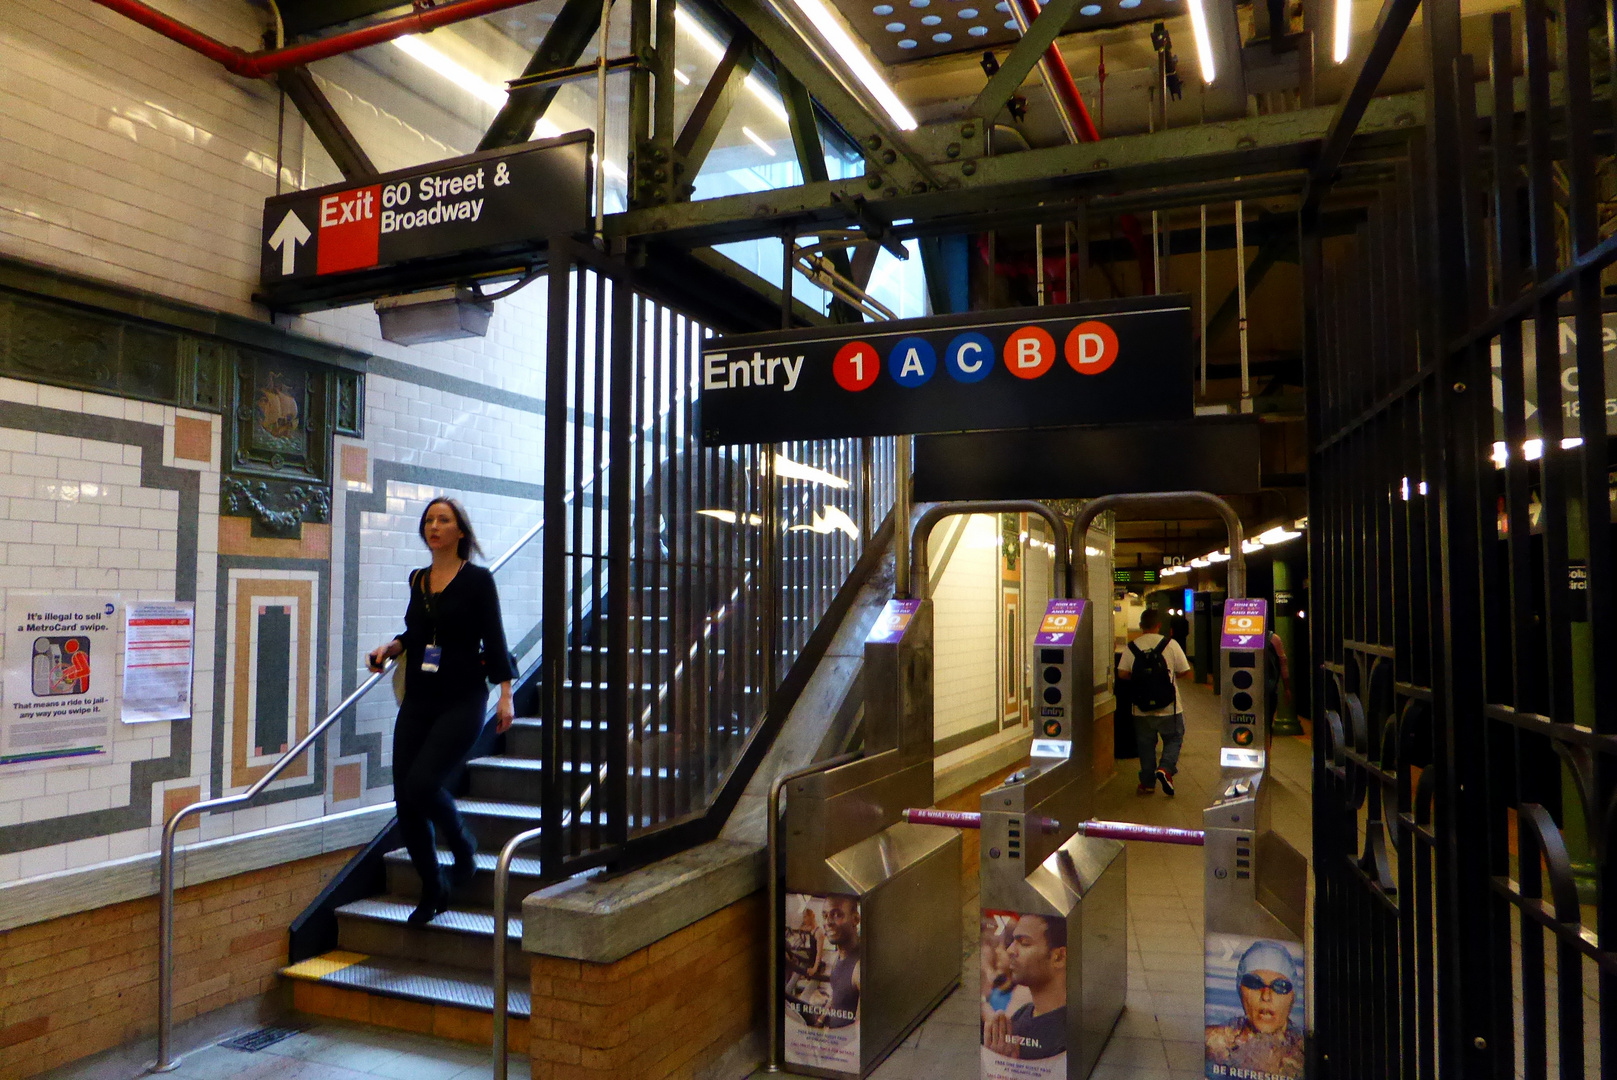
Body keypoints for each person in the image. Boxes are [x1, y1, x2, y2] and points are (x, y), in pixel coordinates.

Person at [369, 498, 515, 925]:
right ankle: (434, 888)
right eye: (429, 520)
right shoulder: (418, 580)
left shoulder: (477, 581)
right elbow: (416, 632)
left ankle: (464, 845)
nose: (434, 526)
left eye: (443, 520)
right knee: (406, 800)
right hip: (419, 698)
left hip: (464, 698)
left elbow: (495, 637)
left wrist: (505, 694)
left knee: (422, 784)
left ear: (460, 532)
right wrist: (389, 648)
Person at [1117, 608, 1192, 796]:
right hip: (1170, 707)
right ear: (1159, 625)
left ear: (1141, 626)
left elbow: (1122, 673)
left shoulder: (1132, 646)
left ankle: (1147, 783)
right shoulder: (1170, 644)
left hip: (1141, 708)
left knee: (1145, 746)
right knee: (1174, 738)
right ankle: (1165, 769)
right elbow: (1185, 671)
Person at [1205, 941, 1305, 1076]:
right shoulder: (1214, 1043)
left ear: (1292, 997)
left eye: (1280, 986)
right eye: (1254, 983)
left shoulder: (1305, 1053)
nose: (1266, 996)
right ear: (1240, 991)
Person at [984, 914, 1067, 1060]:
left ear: (1059, 957)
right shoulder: (1022, 1014)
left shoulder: (1068, 1030)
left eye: (1024, 943)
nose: (1010, 950)